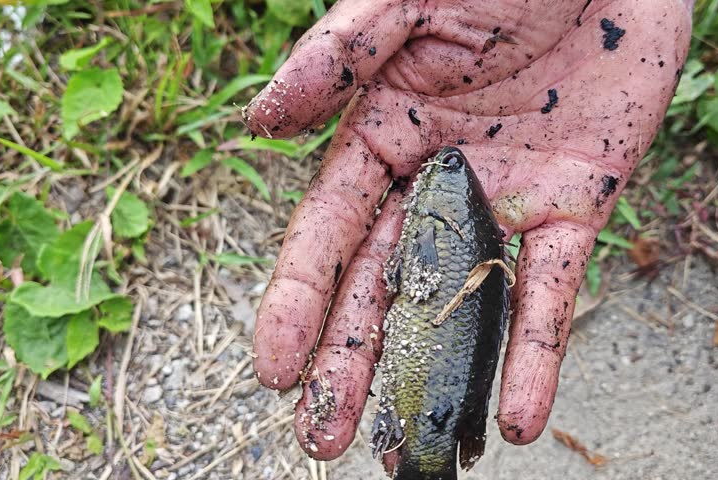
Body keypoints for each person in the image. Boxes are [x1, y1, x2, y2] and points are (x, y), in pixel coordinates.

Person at [243, 0, 694, 464]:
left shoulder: (441, 231)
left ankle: (425, 456)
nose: (447, 162)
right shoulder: (453, 230)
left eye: (448, 167)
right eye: (450, 166)